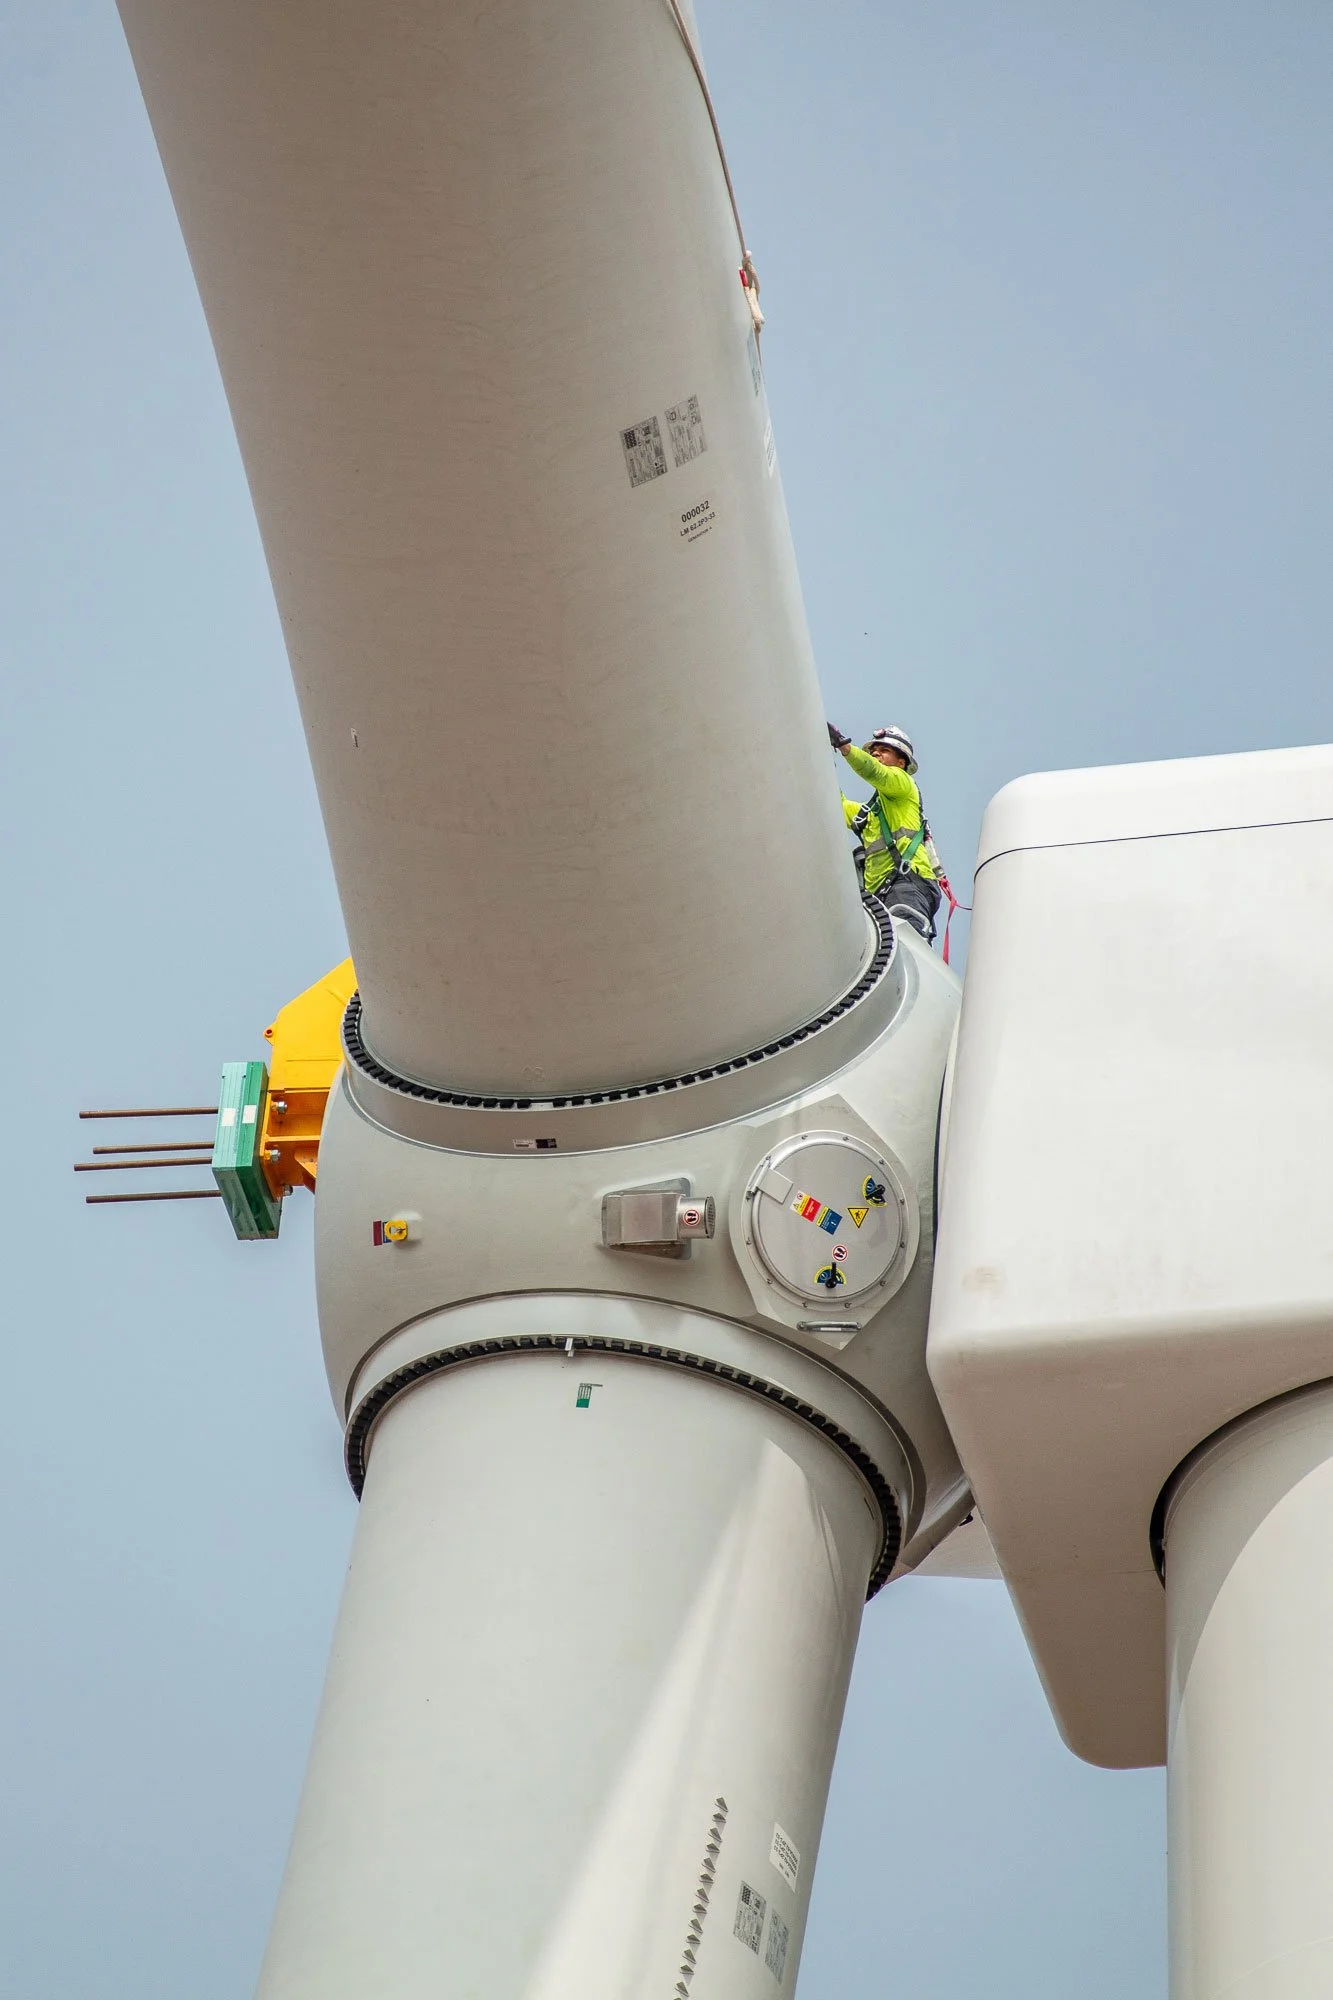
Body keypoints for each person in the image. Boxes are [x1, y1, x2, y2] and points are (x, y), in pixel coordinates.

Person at [826, 722, 943, 941]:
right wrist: (820, 765)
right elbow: (832, 806)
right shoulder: (869, 813)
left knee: (903, 946)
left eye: (884, 750)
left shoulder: (903, 783)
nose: (876, 753)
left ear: (901, 762)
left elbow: (875, 772)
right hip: (878, 897)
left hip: (906, 884)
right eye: (873, 751)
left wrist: (844, 747)